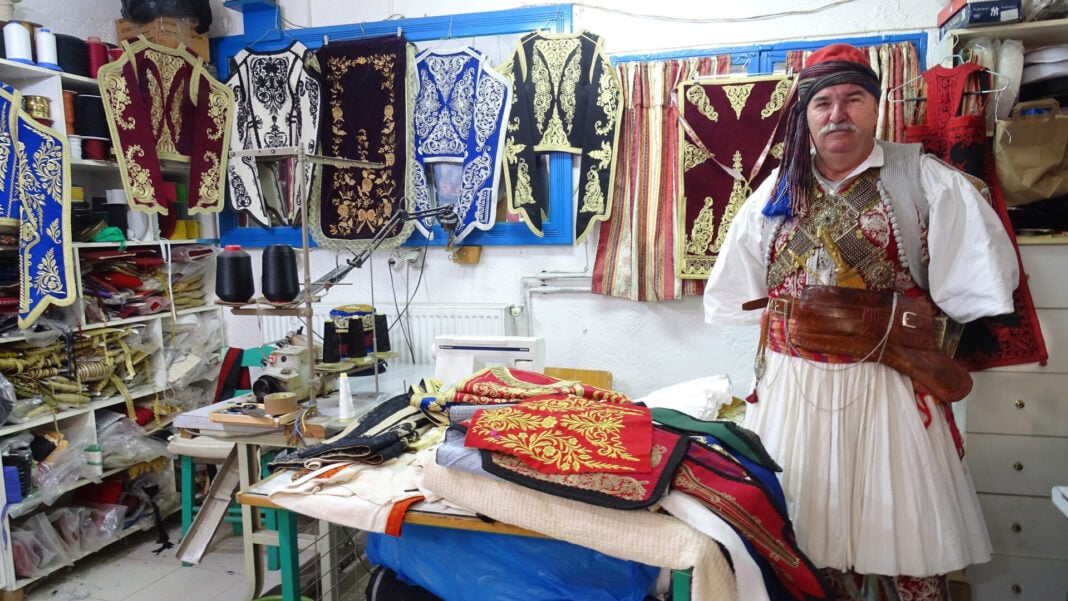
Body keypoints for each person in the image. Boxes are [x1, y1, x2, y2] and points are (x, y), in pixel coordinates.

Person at [702, 43, 1019, 600]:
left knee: (910, 534)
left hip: (892, 384)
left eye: (853, 99)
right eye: (822, 103)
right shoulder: (774, 193)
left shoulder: (924, 181)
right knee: (812, 538)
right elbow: (738, 292)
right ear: (805, 116)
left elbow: (974, 286)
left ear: (876, 107)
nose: (838, 114)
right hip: (795, 390)